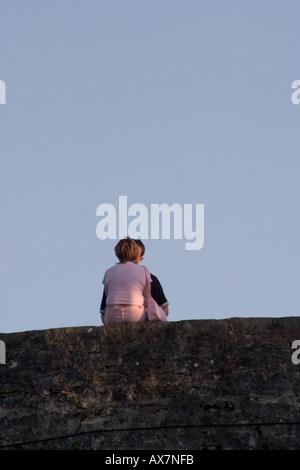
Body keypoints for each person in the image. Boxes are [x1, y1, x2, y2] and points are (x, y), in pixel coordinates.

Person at [100, 237, 168, 325]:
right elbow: (147, 297)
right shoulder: (144, 271)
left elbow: (107, 295)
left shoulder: (108, 272)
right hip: (135, 315)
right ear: (136, 254)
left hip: (111, 317)